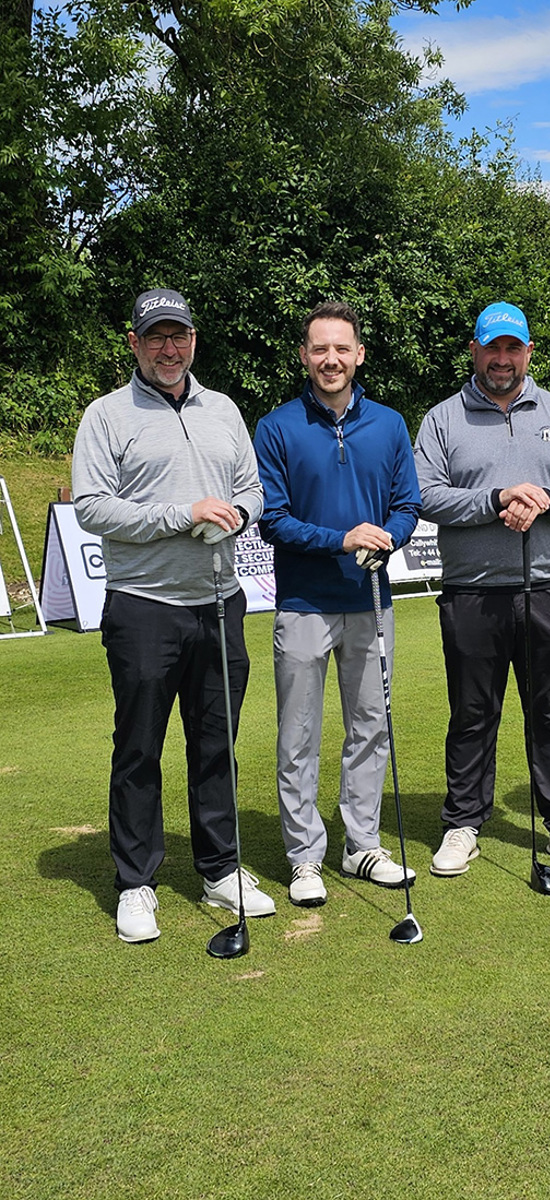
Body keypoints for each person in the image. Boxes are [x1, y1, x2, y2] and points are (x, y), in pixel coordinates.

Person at [72, 287, 275, 943]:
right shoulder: (107, 415)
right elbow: (92, 507)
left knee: (216, 745)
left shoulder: (223, 409)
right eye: (156, 336)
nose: (169, 348)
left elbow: (253, 489)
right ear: (134, 343)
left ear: (193, 340)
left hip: (218, 601)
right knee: (139, 748)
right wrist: (181, 515)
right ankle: (136, 882)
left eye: (178, 335)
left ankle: (220, 869)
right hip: (144, 607)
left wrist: (238, 514)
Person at [414, 302, 550, 877]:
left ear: (527, 352)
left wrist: (545, 498)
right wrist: (497, 499)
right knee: (472, 713)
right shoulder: (443, 418)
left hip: (547, 587)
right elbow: (425, 494)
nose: (502, 359)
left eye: (512, 348)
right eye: (492, 348)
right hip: (471, 592)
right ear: (474, 351)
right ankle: (463, 823)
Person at [253, 301, 421, 907]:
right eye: (320, 349)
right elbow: (272, 519)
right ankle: (304, 857)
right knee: (298, 736)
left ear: (359, 355)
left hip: (371, 600)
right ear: (304, 355)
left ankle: (362, 844)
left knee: (370, 729)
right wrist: (341, 540)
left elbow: (407, 505)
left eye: (341, 348)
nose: (331, 359)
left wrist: (387, 538)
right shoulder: (276, 426)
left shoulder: (390, 424)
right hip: (303, 603)